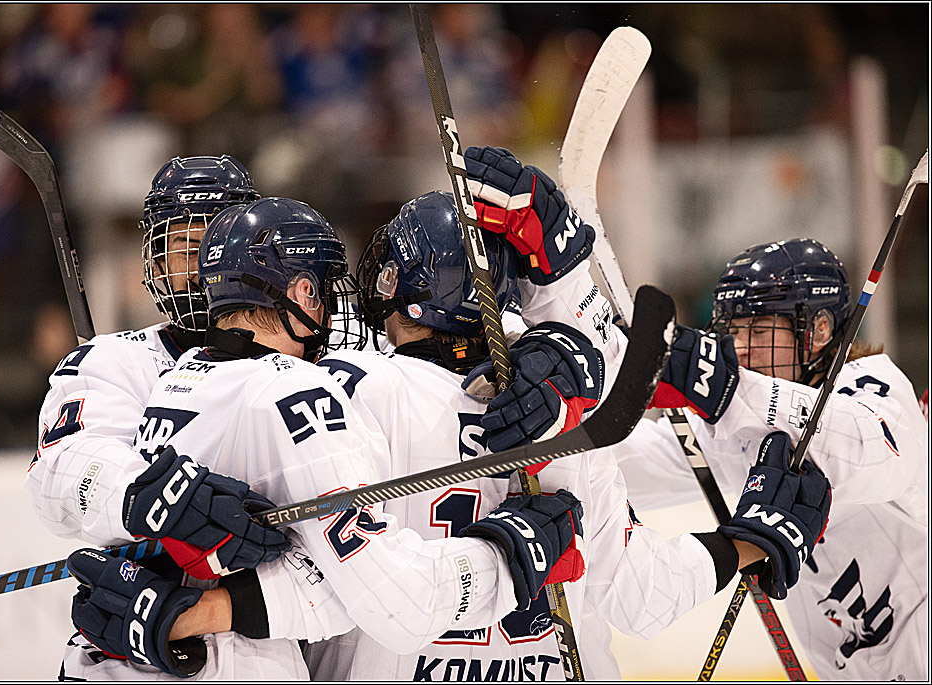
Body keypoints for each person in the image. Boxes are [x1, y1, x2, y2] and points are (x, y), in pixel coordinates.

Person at [68, 190, 832, 681]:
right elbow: (636, 593)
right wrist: (748, 543)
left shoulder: (339, 392)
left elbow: (309, 583)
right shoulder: (573, 421)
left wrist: (173, 592)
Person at [64, 195, 588, 680]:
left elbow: (315, 580)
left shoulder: (176, 381)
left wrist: (197, 612)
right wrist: (513, 552)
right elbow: (396, 602)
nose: (336, 312)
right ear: (301, 292)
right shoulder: (295, 394)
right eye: (325, 288)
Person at [27, 156, 330, 679]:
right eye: (182, 247)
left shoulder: (315, 358)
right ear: (154, 258)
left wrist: (525, 342)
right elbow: (61, 474)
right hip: (131, 659)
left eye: (214, 243)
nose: (198, 265)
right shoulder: (114, 360)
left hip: (265, 653)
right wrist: (147, 495)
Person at [607, 238, 928, 681]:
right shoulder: (741, 427)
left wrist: (721, 386)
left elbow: (873, 450)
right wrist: (562, 409)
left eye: (758, 332)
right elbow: (631, 459)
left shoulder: (873, 385)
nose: (740, 349)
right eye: (734, 332)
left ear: (816, 331)